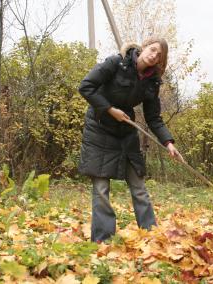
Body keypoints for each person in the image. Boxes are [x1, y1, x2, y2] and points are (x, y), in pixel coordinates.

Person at [78, 38, 182, 242]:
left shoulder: (152, 82)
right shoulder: (115, 64)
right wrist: (109, 109)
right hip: (99, 130)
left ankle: (152, 236)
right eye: (153, 50)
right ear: (144, 47)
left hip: (125, 133)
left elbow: (154, 118)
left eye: (159, 55)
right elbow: (86, 86)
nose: (154, 56)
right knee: (101, 189)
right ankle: (103, 240)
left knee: (139, 186)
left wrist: (168, 142)